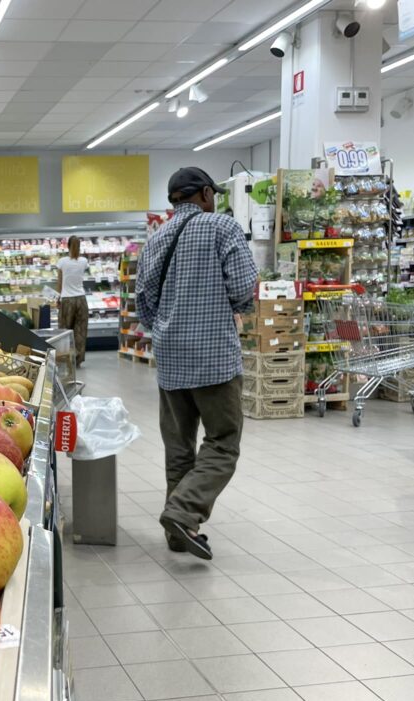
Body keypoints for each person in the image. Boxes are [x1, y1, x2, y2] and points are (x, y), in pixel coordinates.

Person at [136, 167, 258, 560]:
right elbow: (243, 286)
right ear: (205, 194)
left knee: (179, 448)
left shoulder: (155, 240)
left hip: (170, 359)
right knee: (223, 442)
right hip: (214, 360)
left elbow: (144, 304)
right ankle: (183, 511)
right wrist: (236, 309)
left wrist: (168, 327)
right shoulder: (222, 227)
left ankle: (179, 531)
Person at [57, 235, 90, 366]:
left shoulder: (62, 262)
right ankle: (78, 360)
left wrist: (58, 298)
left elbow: (59, 283)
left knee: (64, 331)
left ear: (67, 246)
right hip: (81, 299)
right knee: (80, 331)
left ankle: (65, 359)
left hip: (67, 300)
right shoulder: (84, 261)